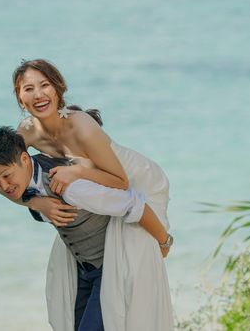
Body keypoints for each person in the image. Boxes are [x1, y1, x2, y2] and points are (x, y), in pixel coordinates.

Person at [13, 59, 175, 331]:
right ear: (20, 98)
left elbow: (121, 182)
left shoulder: (82, 126)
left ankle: (164, 242)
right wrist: (39, 203)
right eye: (28, 89)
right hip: (106, 192)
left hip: (138, 181)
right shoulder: (26, 132)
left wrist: (76, 172)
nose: (38, 94)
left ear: (58, 88)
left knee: (130, 287)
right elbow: (8, 179)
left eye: (45, 85)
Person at [0, 126, 173, 331]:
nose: (3, 186)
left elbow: (134, 204)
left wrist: (164, 242)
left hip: (111, 269)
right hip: (83, 271)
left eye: (6, 176)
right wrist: (35, 203)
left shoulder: (70, 187)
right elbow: (15, 192)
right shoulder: (23, 181)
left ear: (25, 159)